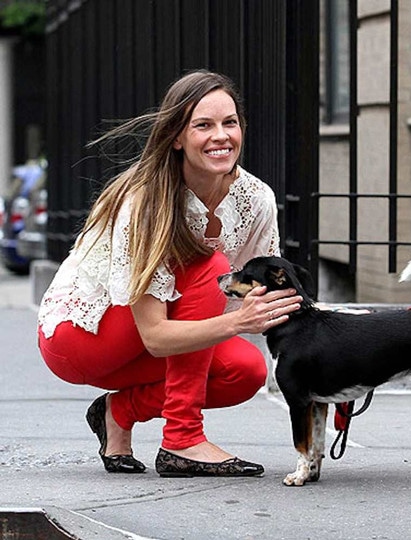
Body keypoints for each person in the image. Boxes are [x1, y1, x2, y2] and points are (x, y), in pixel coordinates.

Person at [37, 70, 302, 477]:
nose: (221, 136)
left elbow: (258, 295)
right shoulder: (145, 202)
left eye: (230, 123)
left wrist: (345, 344)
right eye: (203, 125)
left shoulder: (255, 199)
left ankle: (117, 412)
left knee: (245, 371)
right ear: (177, 136)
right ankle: (183, 439)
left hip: (153, 336)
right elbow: (158, 338)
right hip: (83, 337)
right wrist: (235, 320)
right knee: (208, 265)